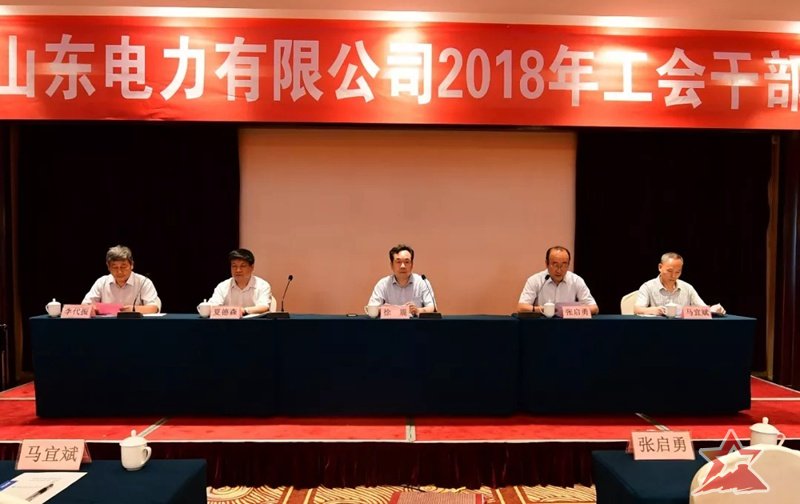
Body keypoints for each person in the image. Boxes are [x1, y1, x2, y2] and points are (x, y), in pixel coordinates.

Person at [634, 252, 725, 315]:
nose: (673, 275)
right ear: (660, 267)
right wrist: (653, 310)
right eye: (669, 271)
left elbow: (703, 309)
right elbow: (637, 309)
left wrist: (713, 310)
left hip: (684, 329)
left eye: (678, 272)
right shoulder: (648, 286)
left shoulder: (687, 288)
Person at [517, 246, 599, 314]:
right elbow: (521, 307)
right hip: (542, 324)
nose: (559, 270)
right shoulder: (535, 280)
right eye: (555, 264)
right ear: (546, 264)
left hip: (568, 325)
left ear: (568, 264)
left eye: (564, 265)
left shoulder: (576, 280)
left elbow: (594, 308)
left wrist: (569, 311)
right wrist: (541, 309)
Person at [82, 245, 161, 313]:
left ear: (132, 265)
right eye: (115, 267)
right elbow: (85, 306)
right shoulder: (101, 282)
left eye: (123, 266)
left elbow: (154, 308)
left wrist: (133, 309)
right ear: (108, 267)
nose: (119, 271)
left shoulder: (144, 282)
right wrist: (92, 308)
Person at [368, 243, 435, 316]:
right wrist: (390, 309)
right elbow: (372, 309)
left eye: (407, 262)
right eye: (398, 262)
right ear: (391, 265)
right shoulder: (383, 284)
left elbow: (432, 307)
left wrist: (418, 310)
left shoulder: (422, 282)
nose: (403, 266)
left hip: (415, 323)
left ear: (412, 265)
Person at [204, 248, 272, 315]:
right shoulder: (222, 286)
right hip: (228, 322)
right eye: (234, 266)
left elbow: (264, 307)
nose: (238, 270)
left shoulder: (262, 285)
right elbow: (212, 306)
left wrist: (243, 310)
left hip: (253, 321)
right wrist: (205, 307)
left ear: (252, 267)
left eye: (243, 266)